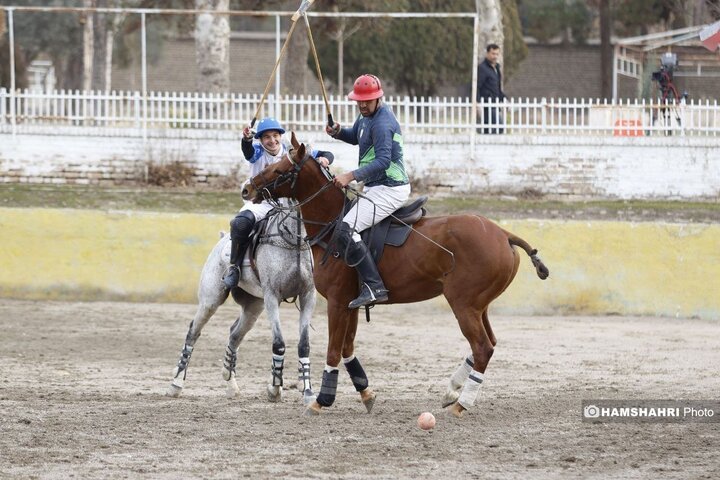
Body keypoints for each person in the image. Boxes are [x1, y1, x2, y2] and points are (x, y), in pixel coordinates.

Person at [325, 74, 411, 309]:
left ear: (378, 98)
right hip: (375, 185)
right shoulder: (366, 116)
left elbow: (383, 160)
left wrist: (349, 176)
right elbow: (357, 136)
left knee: (345, 229)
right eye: (359, 101)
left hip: (390, 188)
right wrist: (338, 131)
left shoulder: (383, 123)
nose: (362, 105)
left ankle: (375, 286)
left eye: (367, 101)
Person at [223, 117, 334, 289]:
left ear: (281, 136)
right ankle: (234, 268)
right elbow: (247, 151)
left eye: (275, 135)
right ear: (260, 139)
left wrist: (325, 160)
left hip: (287, 204)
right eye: (267, 137)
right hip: (262, 202)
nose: (272, 140)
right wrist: (246, 139)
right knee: (241, 222)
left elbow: (326, 154)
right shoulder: (257, 151)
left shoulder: (290, 153)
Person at [477, 43, 506, 134]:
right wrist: (477, 102)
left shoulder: (497, 68)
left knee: (491, 129)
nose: (495, 56)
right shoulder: (482, 68)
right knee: (498, 126)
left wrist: (504, 99)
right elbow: (477, 86)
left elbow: (497, 87)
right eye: (493, 53)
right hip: (487, 104)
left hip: (495, 104)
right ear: (487, 53)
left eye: (497, 54)